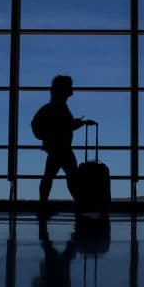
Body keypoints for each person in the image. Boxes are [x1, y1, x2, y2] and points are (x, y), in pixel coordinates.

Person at [32, 75, 95, 204]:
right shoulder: (59, 107)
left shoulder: (54, 107)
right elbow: (66, 126)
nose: (72, 88)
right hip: (62, 148)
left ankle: (43, 204)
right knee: (72, 177)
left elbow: (63, 126)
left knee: (51, 176)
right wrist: (79, 123)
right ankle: (79, 203)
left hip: (56, 148)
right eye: (70, 86)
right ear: (64, 89)